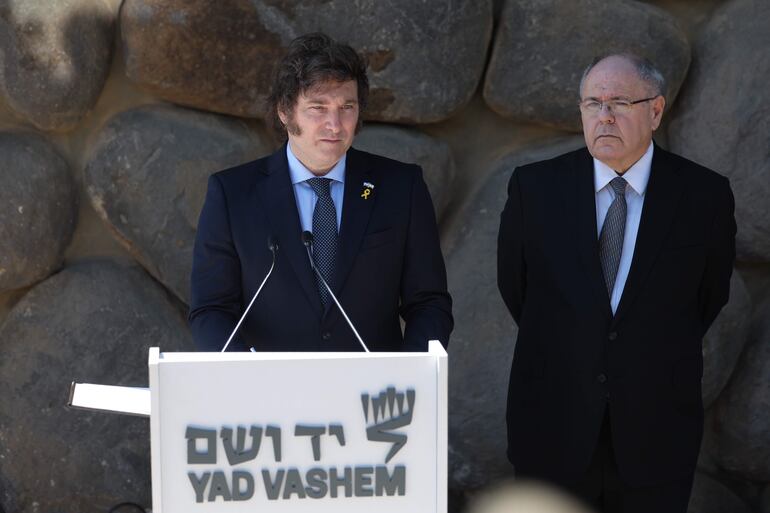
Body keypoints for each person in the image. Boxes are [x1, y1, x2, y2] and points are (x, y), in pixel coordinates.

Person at [497, 53, 736, 512]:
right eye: (593, 103)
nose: (604, 116)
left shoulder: (704, 196)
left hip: (655, 434)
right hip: (553, 427)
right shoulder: (535, 188)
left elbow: (707, 298)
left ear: (656, 111)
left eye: (621, 102)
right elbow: (519, 290)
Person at [189, 32, 452, 353]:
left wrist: (413, 375)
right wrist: (246, 377)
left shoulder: (401, 187)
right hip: (269, 393)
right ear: (285, 112)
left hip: (374, 394)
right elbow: (211, 309)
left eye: (347, 107)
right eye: (318, 107)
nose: (335, 124)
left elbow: (428, 302)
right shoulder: (233, 194)